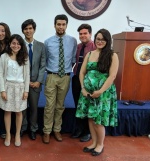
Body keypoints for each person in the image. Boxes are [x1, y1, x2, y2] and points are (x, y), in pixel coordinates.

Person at [76, 29, 119, 156]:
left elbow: (112, 76)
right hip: (88, 93)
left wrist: (100, 91)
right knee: (90, 118)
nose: (100, 41)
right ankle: (94, 143)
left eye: (103, 39)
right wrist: (83, 88)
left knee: (98, 120)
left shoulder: (112, 55)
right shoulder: (89, 54)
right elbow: (82, 72)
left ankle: (100, 145)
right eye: (98, 39)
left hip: (103, 94)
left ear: (107, 41)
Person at [42, 14, 77, 144]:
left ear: (66, 25)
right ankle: (47, 131)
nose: (61, 27)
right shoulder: (48, 42)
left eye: (63, 24)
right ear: (54, 25)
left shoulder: (72, 41)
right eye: (58, 24)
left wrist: (66, 71)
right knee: (49, 105)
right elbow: (45, 60)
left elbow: (73, 59)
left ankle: (57, 130)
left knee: (60, 105)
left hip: (66, 77)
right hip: (51, 76)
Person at [0, 34, 30, 147]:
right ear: (10, 44)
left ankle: (17, 134)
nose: (15, 45)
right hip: (7, 87)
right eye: (13, 43)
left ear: (21, 45)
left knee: (18, 112)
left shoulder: (25, 57)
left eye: (18, 43)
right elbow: (0, 74)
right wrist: (2, 90)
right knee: (7, 111)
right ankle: (8, 134)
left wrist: (26, 91)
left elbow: (27, 75)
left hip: (20, 88)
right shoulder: (4, 57)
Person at [20, 19, 46, 140]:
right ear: (23, 31)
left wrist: (38, 81)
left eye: (30, 28)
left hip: (36, 83)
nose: (28, 31)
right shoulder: (18, 46)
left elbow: (43, 65)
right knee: (22, 107)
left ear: (34, 30)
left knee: (34, 108)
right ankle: (22, 128)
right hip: (21, 83)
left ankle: (33, 129)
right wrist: (24, 81)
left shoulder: (41, 46)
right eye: (26, 29)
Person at [71, 24, 96, 142]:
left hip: (89, 81)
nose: (82, 35)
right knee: (78, 105)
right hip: (76, 78)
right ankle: (79, 129)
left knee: (87, 106)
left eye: (85, 33)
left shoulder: (95, 48)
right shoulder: (78, 47)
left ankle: (87, 132)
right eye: (80, 34)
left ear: (90, 34)